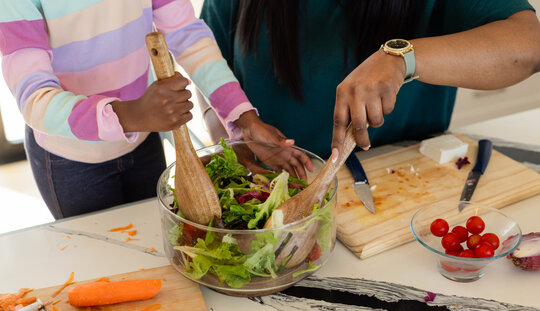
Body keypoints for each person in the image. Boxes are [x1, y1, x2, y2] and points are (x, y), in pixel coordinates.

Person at [0, 0, 308, 219]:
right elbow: (34, 97)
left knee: (152, 245)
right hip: (71, 161)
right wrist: (132, 114)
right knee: (101, 263)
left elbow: (187, 33)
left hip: (145, 140)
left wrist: (243, 115)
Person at [199, 0, 540, 161]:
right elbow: (210, 72)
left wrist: (403, 58)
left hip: (402, 184)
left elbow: (530, 44)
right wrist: (233, 142)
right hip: (272, 192)